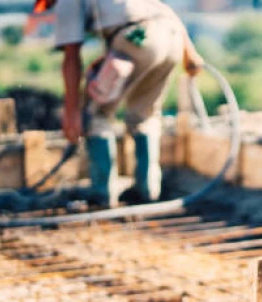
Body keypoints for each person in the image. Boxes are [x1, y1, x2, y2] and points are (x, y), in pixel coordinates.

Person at [33, 0, 204, 206]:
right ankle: (147, 190)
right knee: (144, 115)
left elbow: (71, 56)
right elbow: (162, 9)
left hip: (137, 37)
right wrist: (189, 51)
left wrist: (72, 113)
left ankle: (101, 193)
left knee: (95, 115)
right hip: (171, 37)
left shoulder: (66, 2)